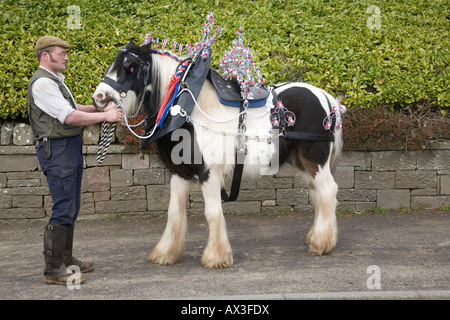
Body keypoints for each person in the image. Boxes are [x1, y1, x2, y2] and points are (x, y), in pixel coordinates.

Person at [27, 35, 122, 285]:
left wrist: (99, 109)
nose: (67, 57)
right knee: (63, 208)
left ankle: (66, 259)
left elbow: (73, 107)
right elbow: (68, 117)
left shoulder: (55, 81)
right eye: (62, 53)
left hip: (67, 148)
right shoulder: (43, 84)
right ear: (45, 56)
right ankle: (52, 270)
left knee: (71, 206)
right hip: (57, 149)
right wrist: (106, 117)